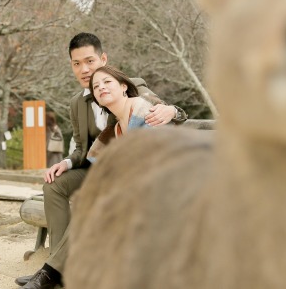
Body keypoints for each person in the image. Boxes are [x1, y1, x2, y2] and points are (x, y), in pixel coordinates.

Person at [18, 33, 187, 289]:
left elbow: (158, 111)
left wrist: (173, 110)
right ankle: (57, 264)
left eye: (89, 60)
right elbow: (79, 147)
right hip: (96, 169)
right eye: (77, 63)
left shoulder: (130, 86)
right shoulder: (77, 102)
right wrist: (66, 163)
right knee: (53, 185)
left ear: (103, 59)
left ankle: (53, 272)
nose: (84, 69)